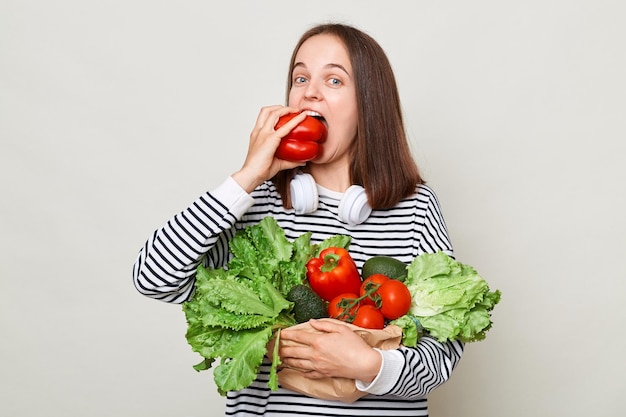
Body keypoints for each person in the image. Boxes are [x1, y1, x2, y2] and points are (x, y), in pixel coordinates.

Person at [133, 23, 463, 416]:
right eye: (300, 77)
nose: (310, 92)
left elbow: (444, 353)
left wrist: (367, 366)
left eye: (334, 80)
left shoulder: (414, 207)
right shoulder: (257, 202)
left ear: (368, 104)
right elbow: (154, 279)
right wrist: (246, 178)